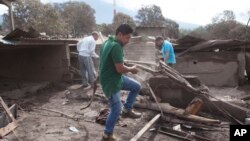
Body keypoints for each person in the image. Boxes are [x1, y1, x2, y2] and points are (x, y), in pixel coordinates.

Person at [99, 24, 142, 141]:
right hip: (111, 81)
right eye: (127, 37)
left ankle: (127, 109)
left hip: (115, 77)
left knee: (136, 86)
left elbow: (112, 62)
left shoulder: (108, 42)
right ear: (119, 35)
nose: (128, 41)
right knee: (116, 108)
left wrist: (124, 65)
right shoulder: (116, 46)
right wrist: (131, 69)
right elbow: (119, 69)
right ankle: (107, 135)